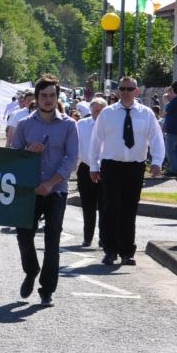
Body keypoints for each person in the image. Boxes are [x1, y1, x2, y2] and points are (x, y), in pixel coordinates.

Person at [12, 74, 78, 306]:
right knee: (23, 237)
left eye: (52, 96)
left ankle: (47, 289)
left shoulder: (69, 125)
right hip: (29, 191)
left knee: (52, 242)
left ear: (57, 97)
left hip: (56, 190)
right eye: (44, 96)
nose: (48, 100)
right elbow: (13, 156)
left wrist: (51, 183)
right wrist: (27, 151)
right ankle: (31, 271)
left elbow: (71, 159)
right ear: (37, 98)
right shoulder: (24, 125)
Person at [89, 76, 165, 266]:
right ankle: (110, 250)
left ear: (136, 91)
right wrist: (94, 166)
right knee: (111, 207)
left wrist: (156, 162)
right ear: (117, 92)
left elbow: (156, 139)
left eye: (129, 89)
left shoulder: (146, 114)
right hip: (111, 165)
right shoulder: (107, 113)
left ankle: (126, 251)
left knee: (129, 209)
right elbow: (96, 140)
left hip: (135, 166)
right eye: (122, 89)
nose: (125, 92)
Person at [76, 97, 107, 247]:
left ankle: (104, 237)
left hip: (105, 170)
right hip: (86, 168)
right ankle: (88, 237)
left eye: (101, 111)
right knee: (88, 206)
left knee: (104, 206)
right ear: (91, 111)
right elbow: (75, 147)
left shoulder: (111, 125)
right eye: (95, 111)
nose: (98, 113)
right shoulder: (81, 125)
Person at [162, 81, 177, 177]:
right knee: (176, 151)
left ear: (173, 90)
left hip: (173, 131)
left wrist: (165, 102)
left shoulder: (175, 100)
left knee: (170, 150)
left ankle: (174, 169)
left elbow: (164, 113)